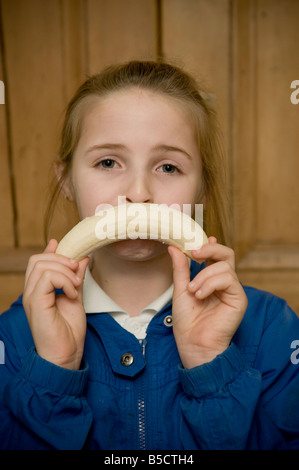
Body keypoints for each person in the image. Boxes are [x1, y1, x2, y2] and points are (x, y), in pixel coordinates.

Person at [0, 60, 298, 450]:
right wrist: (53, 372)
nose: (138, 193)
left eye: (168, 167)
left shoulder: (271, 329)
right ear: (67, 180)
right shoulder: (15, 337)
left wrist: (211, 368)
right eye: (108, 162)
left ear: (201, 190)